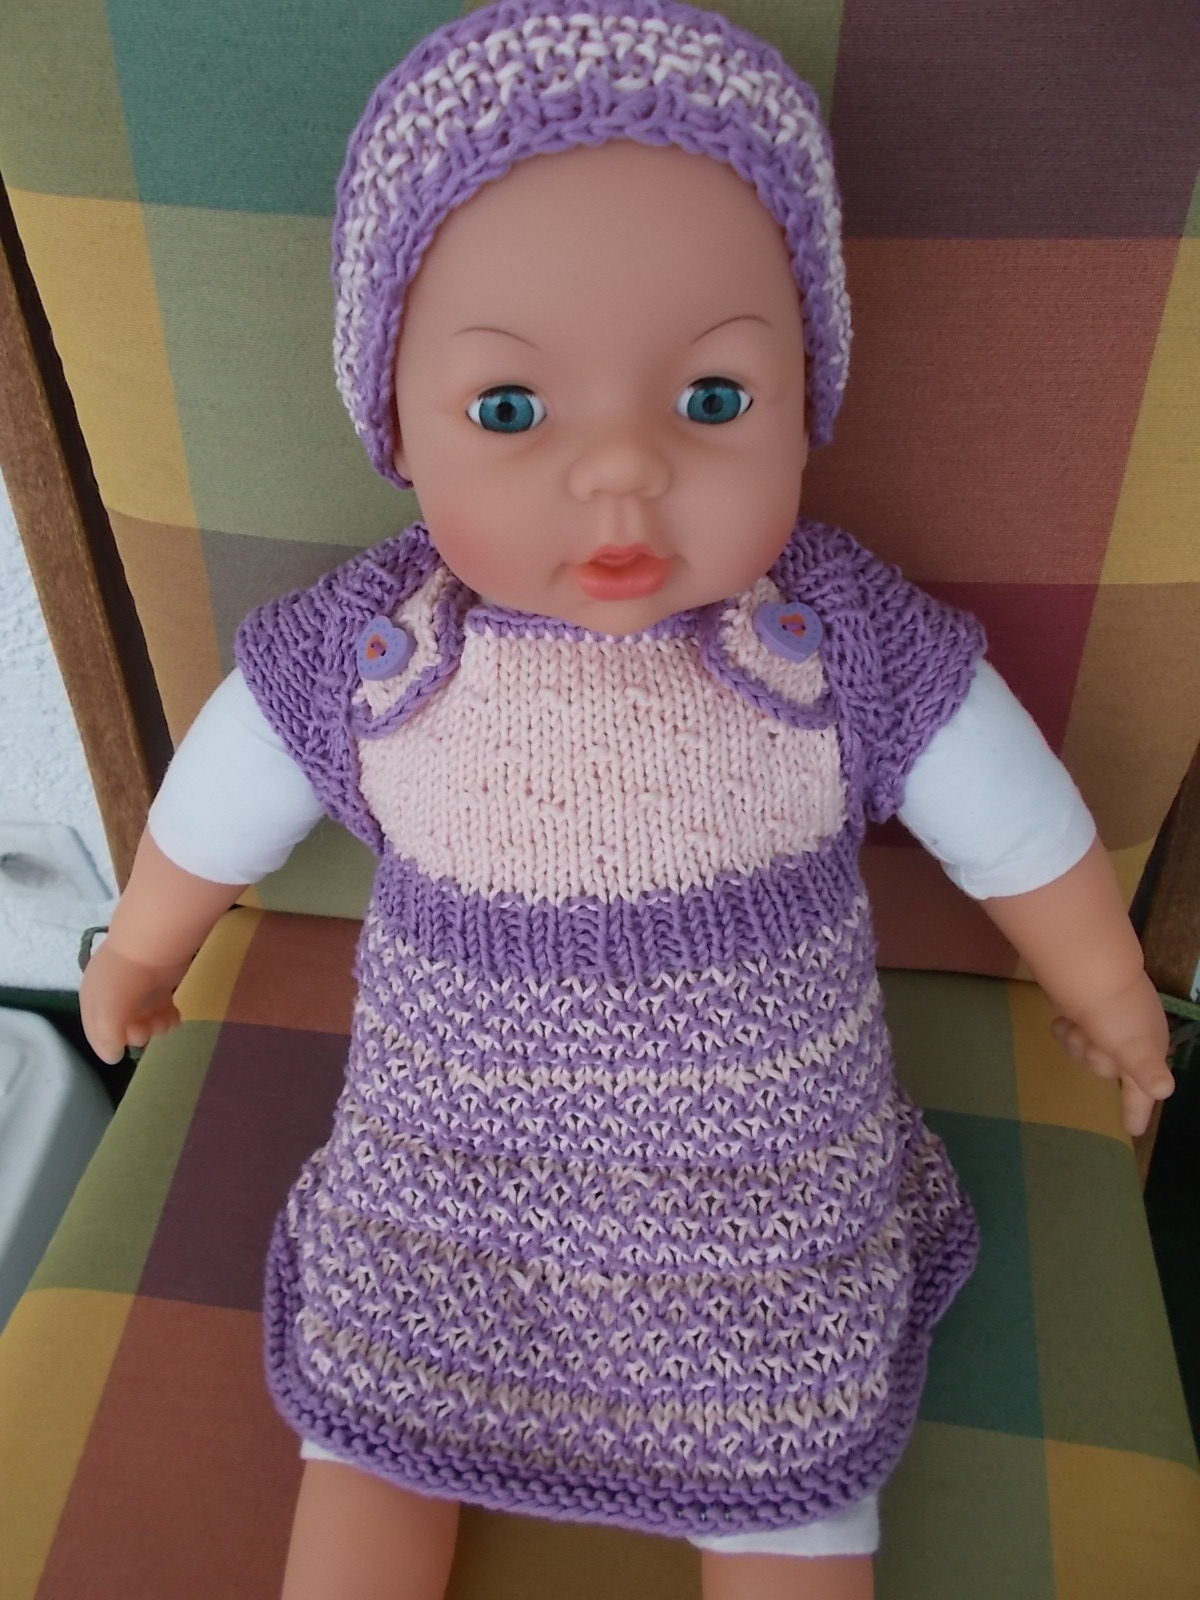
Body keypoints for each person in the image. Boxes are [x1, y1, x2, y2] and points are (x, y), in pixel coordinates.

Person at [79, 3, 1174, 1596]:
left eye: (712, 401)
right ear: (396, 423)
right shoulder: (378, 650)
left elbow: (1010, 813)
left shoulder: (835, 639)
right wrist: (139, 947)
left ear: (808, 393)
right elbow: (221, 793)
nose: (621, 476)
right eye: (510, 411)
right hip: (453, 1176)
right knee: (377, 1416)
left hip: (757, 1200)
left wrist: (1108, 982)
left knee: (789, 1459)